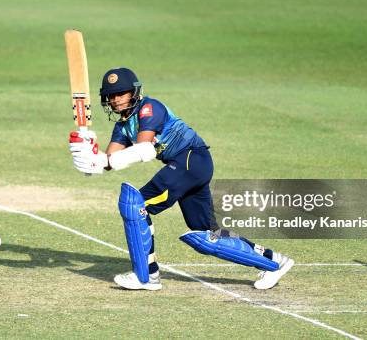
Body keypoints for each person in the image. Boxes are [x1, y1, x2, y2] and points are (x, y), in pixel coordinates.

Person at [69, 67, 294, 291]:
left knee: (135, 204)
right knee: (207, 235)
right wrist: (88, 154)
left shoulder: (150, 108)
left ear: (134, 93)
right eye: (111, 95)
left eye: (121, 93)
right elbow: (109, 160)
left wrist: (102, 161)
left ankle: (147, 276)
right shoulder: (122, 126)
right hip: (191, 166)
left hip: (190, 159)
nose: (115, 100)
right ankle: (274, 262)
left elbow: (144, 149)